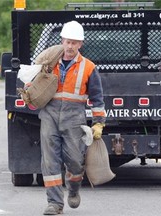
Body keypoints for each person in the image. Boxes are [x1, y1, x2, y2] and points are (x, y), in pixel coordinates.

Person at [38, 20, 106, 215]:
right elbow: (33, 82)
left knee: (75, 161)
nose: (70, 46)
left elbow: (97, 98)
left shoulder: (89, 68)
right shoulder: (48, 62)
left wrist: (99, 123)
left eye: (74, 43)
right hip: (49, 115)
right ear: (62, 41)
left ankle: (74, 188)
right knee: (50, 161)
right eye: (67, 42)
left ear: (80, 44)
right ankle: (55, 204)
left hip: (74, 117)